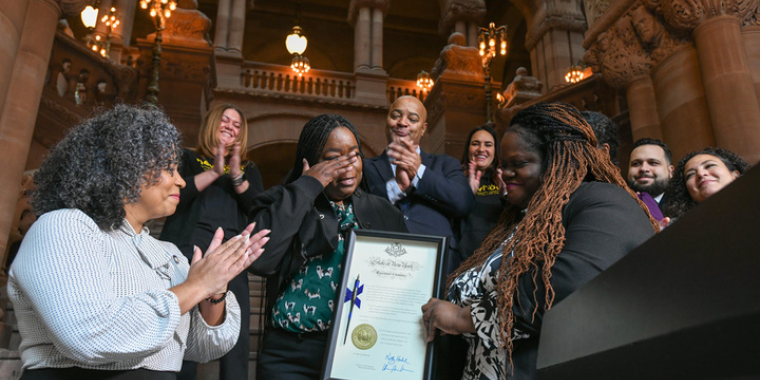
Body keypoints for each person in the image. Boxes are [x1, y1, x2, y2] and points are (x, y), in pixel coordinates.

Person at [7, 105, 269, 379]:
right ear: (125, 167)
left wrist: (215, 289)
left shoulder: (168, 254)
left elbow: (201, 346)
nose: (180, 180)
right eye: (169, 168)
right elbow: (90, 334)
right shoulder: (63, 227)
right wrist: (197, 285)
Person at [421, 102, 658, 380]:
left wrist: (463, 319)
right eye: (502, 165)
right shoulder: (518, 220)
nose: (504, 173)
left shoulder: (604, 201)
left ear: (557, 159)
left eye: (518, 164)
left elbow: (569, 286)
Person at [248, 114, 408, 380]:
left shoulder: (385, 212)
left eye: (354, 155)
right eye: (334, 158)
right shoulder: (281, 200)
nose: (346, 167)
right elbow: (261, 262)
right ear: (310, 162)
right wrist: (308, 186)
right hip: (290, 356)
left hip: (358, 352)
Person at [159, 103, 264, 380]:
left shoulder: (249, 168)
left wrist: (235, 173)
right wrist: (215, 171)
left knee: (236, 331)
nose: (231, 126)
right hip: (186, 249)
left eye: (237, 124)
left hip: (231, 255)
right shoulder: (187, 158)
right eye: (225, 121)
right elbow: (175, 197)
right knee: (183, 324)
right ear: (212, 123)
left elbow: (257, 207)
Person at [363, 95, 474, 273]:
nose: (402, 122)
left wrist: (419, 172)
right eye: (396, 115)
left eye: (412, 119)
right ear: (386, 121)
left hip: (438, 265)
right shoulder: (364, 167)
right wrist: (396, 187)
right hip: (381, 265)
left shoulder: (445, 164)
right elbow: (359, 208)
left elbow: (464, 202)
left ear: (423, 129)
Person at [661, 147, 750, 219]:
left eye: (710, 165)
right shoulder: (681, 229)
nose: (700, 174)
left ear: (735, 175)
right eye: (690, 174)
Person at [457, 124, 503, 261]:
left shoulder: (504, 179)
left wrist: (507, 196)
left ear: (495, 150)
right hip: (463, 260)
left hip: (497, 259)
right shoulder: (456, 178)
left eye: (488, 144)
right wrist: (466, 195)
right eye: (475, 144)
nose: (481, 149)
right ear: (468, 149)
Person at [628, 138, 673, 205]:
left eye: (653, 163)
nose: (643, 168)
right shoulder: (615, 204)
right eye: (636, 163)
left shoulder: (689, 209)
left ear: (671, 172)